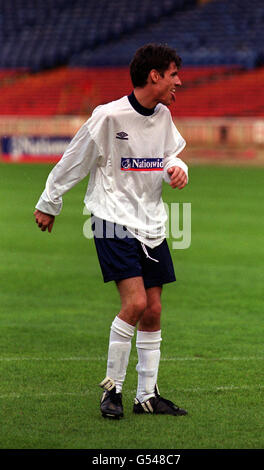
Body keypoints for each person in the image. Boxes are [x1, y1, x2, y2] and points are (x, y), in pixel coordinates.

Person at [34, 43, 189, 419]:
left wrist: (177, 166)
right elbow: (74, 159)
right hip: (110, 219)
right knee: (135, 304)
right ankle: (112, 391)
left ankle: (147, 396)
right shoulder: (108, 116)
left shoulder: (164, 115)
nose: (178, 82)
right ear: (155, 76)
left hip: (151, 223)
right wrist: (49, 202)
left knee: (152, 310)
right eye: (173, 75)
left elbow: (170, 152)